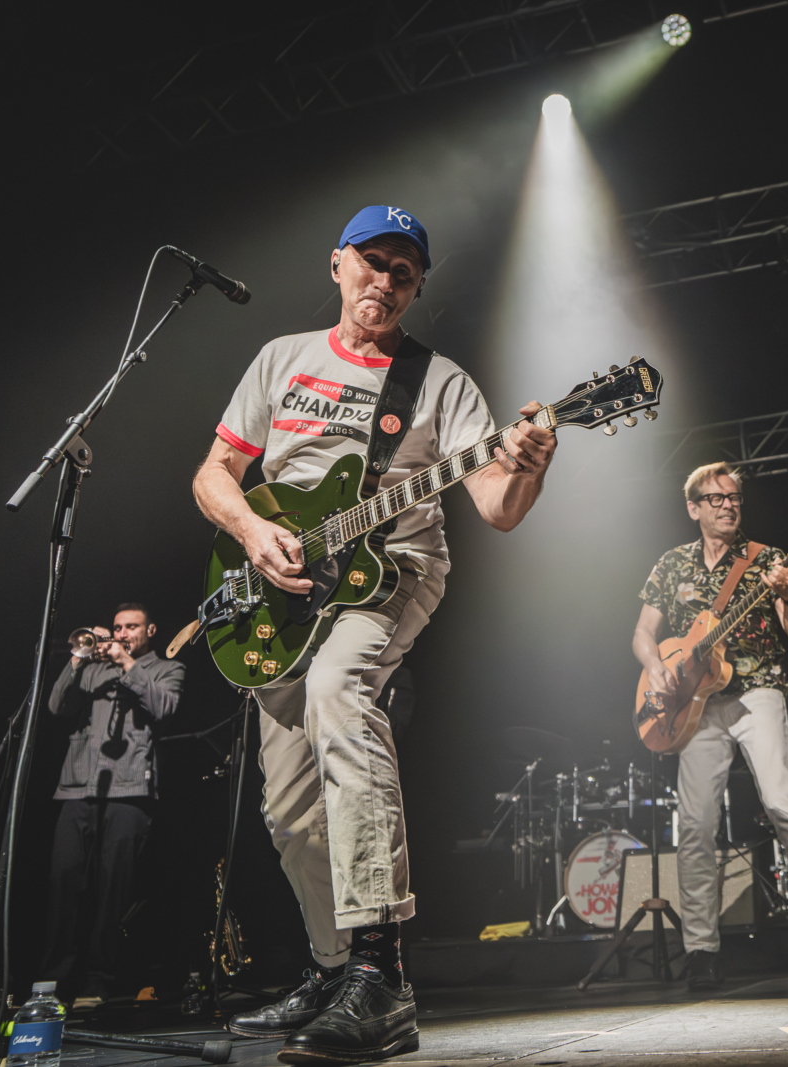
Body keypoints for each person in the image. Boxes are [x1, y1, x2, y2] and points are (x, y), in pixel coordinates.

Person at [191, 206, 556, 1063]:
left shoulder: (440, 381)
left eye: (404, 270)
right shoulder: (281, 358)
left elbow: (497, 508)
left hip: (389, 572)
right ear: (337, 265)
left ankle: (380, 970)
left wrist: (532, 464)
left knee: (337, 692)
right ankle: (330, 970)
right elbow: (215, 473)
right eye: (372, 262)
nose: (385, 281)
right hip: (279, 582)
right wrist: (251, 532)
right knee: (286, 805)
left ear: (418, 285)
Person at [632, 461, 788, 991]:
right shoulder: (670, 565)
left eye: (734, 497)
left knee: (785, 804)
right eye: (716, 498)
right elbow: (644, 632)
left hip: (758, 691)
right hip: (694, 706)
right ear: (693, 508)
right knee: (695, 826)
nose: (729, 504)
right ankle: (702, 953)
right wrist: (656, 667)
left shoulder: (770, 559)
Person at [41, 603, 185, 1009]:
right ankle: (51, 984)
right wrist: (78, 657)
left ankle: (98, 982)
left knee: (111, 894)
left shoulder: (165, 668)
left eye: (131, 627)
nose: (122, 634)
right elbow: (56, 706)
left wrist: (125, 662)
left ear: (150, 630)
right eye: (118, 627)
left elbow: (165, 708)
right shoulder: (93, 669)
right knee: (62, 886)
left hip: (130, 794)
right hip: (76, 789)